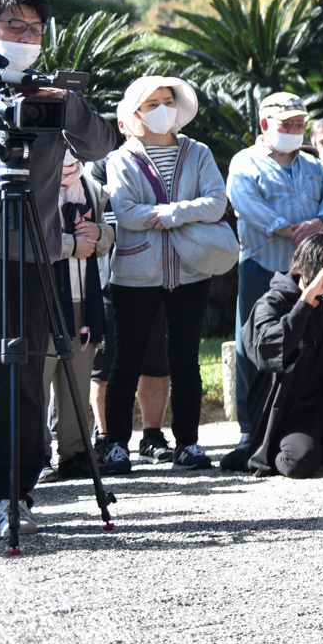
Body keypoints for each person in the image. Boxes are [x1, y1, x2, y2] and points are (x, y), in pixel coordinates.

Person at [0, 0, 121, 535]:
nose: (28, 37)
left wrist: (65, 107)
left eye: (37, 28)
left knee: (20, 375)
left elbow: (100, 147)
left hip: (27, 253)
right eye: (15, 26)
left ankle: (9, 495)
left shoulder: (52, 94)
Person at [101, 74, 236, 473]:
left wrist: (167, 214)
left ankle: (189, 444)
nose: (163, 110)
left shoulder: (198, 152)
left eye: (168, 101)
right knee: (127, 359)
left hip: (191, 271)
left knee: (185, 358)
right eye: (152, 104)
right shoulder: (121, 158)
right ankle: (116, 445)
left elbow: (216, 203)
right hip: (135, 273)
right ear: (135, 114)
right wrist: (179, 212)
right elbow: (125, 212)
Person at [224, 90, 323, 469]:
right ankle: (250, 430)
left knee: (312, 345)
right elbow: (244, 203)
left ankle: (310, 422)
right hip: (262, 266)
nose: (294, 130)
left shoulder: (312, 166)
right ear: (265, 125)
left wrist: (320, 223)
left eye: (298, 124)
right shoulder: (245, 163)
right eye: (285, 124)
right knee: (252, 347)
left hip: (310, 276)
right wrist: (287, 229)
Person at [243, 232, 323, 478]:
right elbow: (268, 350)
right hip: (284, 412)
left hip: (321, 406)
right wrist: (304, 302)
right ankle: (256, 452)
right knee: (301, 461)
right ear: (306, 269)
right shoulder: (273, 302)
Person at [39, 152, 111, 482]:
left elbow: (110, 233)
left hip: (85, 301)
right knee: (36, 383)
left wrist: (96, 233)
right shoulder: (35, 180)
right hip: (45, 301)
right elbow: (28, 236)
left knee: (77, 384)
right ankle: (34, 455)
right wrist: (71, 245)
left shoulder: (90, 184)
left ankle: (73, 454)